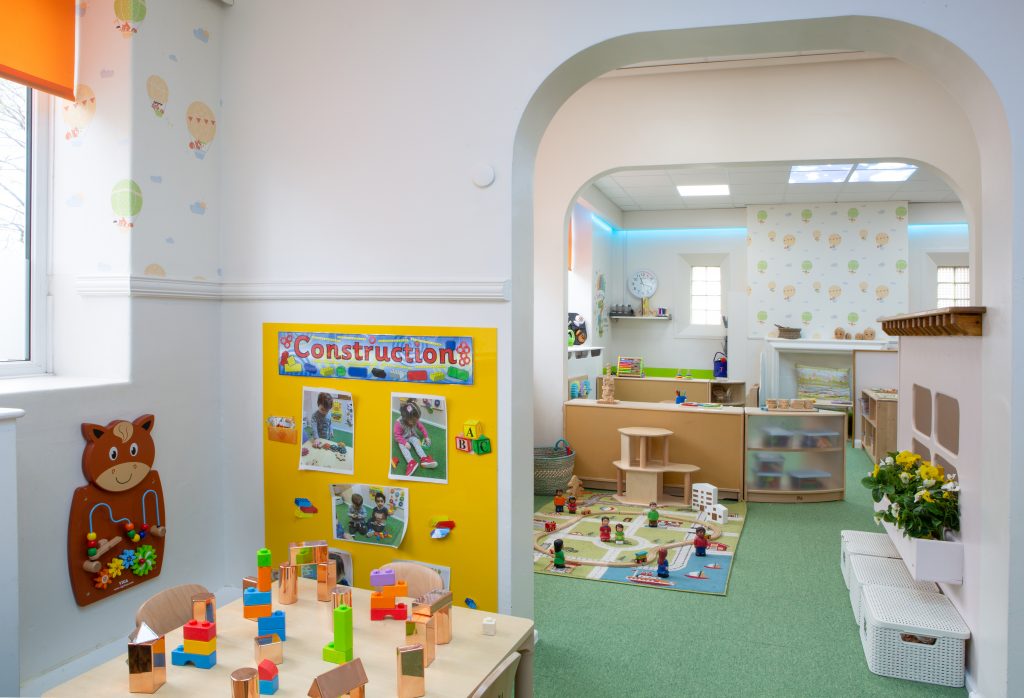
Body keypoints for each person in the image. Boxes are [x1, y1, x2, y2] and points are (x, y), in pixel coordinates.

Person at [394, 400, 435, 475]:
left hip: (411, 436)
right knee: (402, 446)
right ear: (406, 419)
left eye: (417, 420)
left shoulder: (415, 420)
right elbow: (397, 436)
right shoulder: (398, 423)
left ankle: (424, 458)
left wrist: (426, 436)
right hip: (403, 438)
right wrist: (404, 442)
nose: (416, 422)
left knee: (416, 441)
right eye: (414, 421)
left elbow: (422, 427)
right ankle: (411, 462)